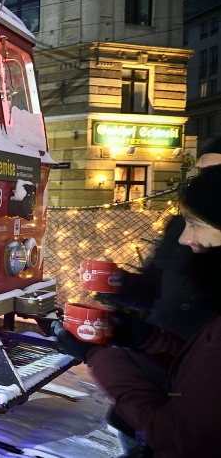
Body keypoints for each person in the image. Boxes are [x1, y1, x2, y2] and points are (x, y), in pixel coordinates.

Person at [54, 166, 221, 457]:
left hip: (156, 405)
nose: (185, 238)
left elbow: (178, 438)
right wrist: (145, 339)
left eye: (195, 223)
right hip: (159, 381)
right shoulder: (184, 245)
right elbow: (199, 365)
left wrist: (97, 355)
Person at [100, 137, 221, 340]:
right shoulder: (179, 228)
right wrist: (117, 283)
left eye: (215, 173)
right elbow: (156, 289)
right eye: (201, 172)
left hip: (191, 362)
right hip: (159, 356)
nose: (205, 183)